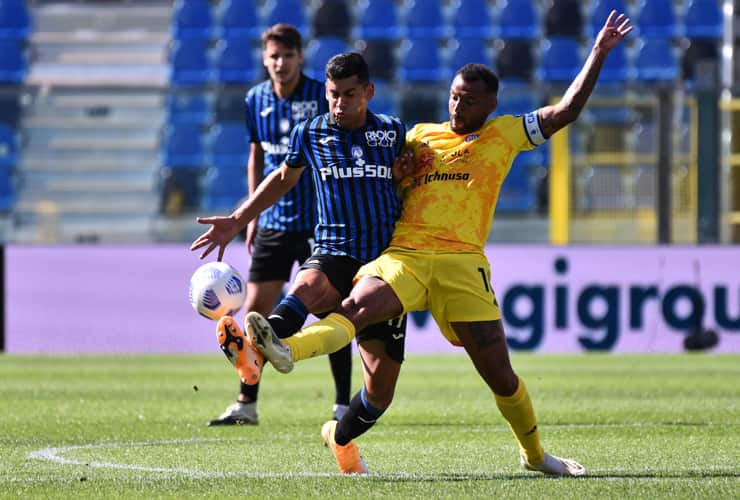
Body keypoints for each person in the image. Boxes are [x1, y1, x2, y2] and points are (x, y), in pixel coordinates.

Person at [238, 11, 633, 476]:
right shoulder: (418, 136)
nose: (456, 107)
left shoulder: (504, 134)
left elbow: (564, 112)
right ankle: (282, 350)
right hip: (404, 254)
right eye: (452, 97)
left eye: (467, 101)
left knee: (499, 377)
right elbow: (370, 165)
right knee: (357, 307)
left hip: (463, 263)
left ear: (490, 104)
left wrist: (597, 54)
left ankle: (534, 456)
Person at [191, 52, 411, 420]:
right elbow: (282, 179)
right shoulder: (311, 132)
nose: (339, 103)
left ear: (369, 91)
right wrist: (238, 219)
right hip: (334, 249)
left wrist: (401, 178)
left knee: (378, 392)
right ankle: (256, 351)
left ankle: (340, 432)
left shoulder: (393, 132)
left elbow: (413, 187)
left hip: (383, 262)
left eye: (350, 94)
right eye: (333, 94)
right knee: (305, 286)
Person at [207, 24, 352, 426]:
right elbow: (257, 155)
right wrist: (250, 214)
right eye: (274, 56)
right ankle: (246, 403)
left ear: (299, 58)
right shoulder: (255, 99)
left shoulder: (319, 97)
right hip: (272, 222)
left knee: (330, 310)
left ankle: (342, 403)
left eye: (288, 55)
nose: (280, 63)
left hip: (317, 223)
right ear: (264, 58)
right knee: (256, 311)